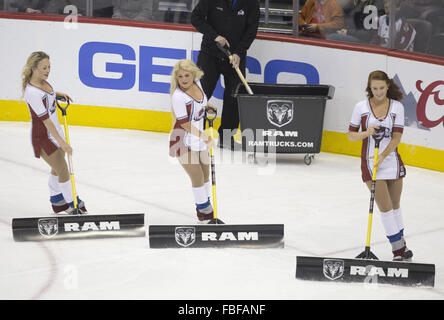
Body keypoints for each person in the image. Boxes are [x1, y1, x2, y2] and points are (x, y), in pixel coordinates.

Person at [347, 70, 412, 261]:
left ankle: (402, 245)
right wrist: (366, 132)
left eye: (381, 88)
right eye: (374, 88)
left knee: (395, 205)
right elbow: (351, 135)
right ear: (370, 88)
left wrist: (384, 155)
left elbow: (397, 136)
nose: (378, 92)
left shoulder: (397, 107)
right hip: (370, 162)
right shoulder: (361, 107)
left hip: (390, 159)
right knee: (385, 207)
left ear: (388, 86)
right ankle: (398, 251)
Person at [22, 51, 87, 214]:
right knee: (63, 169)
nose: (47, 70)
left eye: (49, 67)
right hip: (43, 136)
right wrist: (63, 143)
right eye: (44, 68)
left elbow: (48, 95)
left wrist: (57, 94)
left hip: (54, 131)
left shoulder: (43, 83)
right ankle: (72, 203)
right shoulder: (32, 92)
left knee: (56, 167)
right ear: (34, 68)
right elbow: (46, 121)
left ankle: (57, 200)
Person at [191, 0, 260, 150]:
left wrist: (239, 52)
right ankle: (197, 136)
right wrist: (215, 36)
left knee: (233, 98)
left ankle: (227, 139)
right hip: (210, 53)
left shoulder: (252, 2)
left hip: (235, 57)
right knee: (201, 95)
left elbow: (251, 29)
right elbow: (195, 17)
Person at [169, 59, 217, 222]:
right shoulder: (178, 96)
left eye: (186, 75)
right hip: (181, 140)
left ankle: (206, 207)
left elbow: (201, 102)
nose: (183, 79)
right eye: (180, 76)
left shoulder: (198, 83)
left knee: (205, 176)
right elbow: (185, 123)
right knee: (196, 176)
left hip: (198, 137)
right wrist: (205, 137)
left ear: (193, 74)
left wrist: (208, 105)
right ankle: (205, 213)